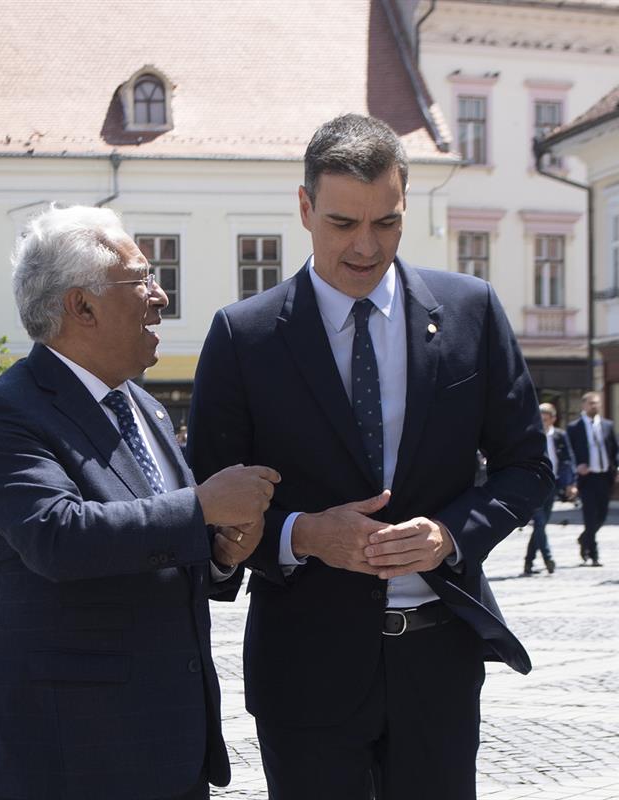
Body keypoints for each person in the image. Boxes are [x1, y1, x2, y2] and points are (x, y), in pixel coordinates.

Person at [187, 114, 552, 800]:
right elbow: (209, 507)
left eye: (385, 223)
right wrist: (304, 536)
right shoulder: (244, 337)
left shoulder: (470, 311)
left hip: (439, 663)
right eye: (342, 223)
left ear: (406, 206)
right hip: (305, 668)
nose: (364, 246)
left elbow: (526, 467)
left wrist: (450, 534)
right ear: (304, 208)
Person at [0, 206, 279, 799]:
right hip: (64, 751)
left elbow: (160, 547)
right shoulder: (3, 412)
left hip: (166, 746)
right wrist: (201, 508)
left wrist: (223, 552)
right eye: (142, 279)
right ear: (82, 306)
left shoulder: (144, 407)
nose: (161, 296)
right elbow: (58, 537)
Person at [524, 403, 576, 575]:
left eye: (546, 419)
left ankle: (529, 560)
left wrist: (571, 483)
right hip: (534, 485)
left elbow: (568, 459)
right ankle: (548, 558)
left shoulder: (560, 436)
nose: (543, 422)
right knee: (539, 522)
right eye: (540, 419)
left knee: (542, 524)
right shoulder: (531, 434)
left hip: (552, 484)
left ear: (553, 419)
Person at [566, 391, 617, 567]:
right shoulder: (574, 428)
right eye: (591, 403)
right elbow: (569, 453)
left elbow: (614, 449)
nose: (595, 406)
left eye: (597, 403)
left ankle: (584, 538)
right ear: (584, 405)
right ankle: (593, 553)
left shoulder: (607, 425)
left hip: (604, 476)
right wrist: (577, 467)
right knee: (589, 515)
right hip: (586, 478)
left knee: (602, 515)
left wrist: (616, 468)